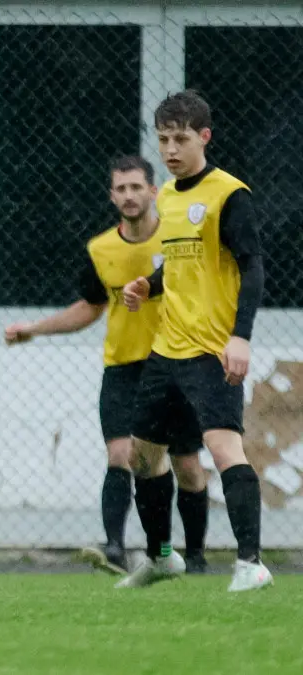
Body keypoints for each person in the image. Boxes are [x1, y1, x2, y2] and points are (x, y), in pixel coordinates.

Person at [4, 155, 210, 576]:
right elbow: (91, 308)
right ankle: (114, 549)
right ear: (112, 196)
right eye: (121, 188)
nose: (130, 195)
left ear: (154, 191)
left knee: (186, 465)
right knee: (122, 453)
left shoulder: (179, 241)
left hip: (176, 363)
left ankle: (198, 556)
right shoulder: (101, 249)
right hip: (124, 368)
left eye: (137, 187)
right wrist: (35, 329)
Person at [120, 90, 272, 592]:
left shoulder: (230, 194)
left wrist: (241, 338)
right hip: (167, 350)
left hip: (211, 349)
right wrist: (149, 284)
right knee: (142, 455)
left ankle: (250, 564)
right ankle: (163, 557)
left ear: (204, 137)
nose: (170, 148)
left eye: (181, 138)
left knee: (224, 448)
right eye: (163, 139)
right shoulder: (165, 195)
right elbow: (182, 265)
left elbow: (251, 268)